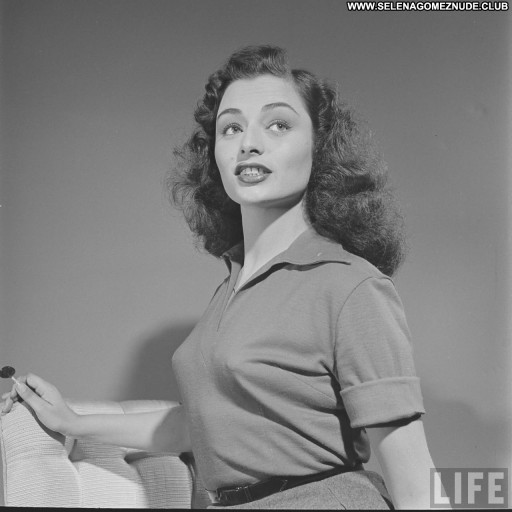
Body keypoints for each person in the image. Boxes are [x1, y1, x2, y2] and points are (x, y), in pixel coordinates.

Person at [1, 45, 440, 509]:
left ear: (320, 147)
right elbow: (199, 428)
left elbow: (415, 482)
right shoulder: (233, 287)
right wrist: (71, 421)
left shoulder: (350, 286)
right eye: (231, 128)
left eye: (278, 124)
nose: (249, 143)